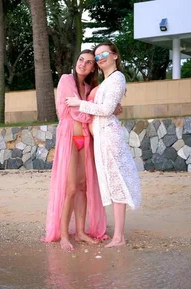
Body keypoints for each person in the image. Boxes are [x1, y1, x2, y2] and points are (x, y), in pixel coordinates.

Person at [65, 41, 142, 248]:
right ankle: (118, 235)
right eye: (97, 57)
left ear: (115, 55)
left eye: (103, 54)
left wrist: (79, 103)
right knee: (114, 184)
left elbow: (106, 109)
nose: (100, 59)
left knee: (117, 184)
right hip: (102, 137)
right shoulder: (107, 81)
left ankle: (119, 237)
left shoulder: (117, 78)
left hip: (109, 137)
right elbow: (108, 106)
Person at [42, 49, 109, 251]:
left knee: (83, 187)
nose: (83, 64)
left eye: (89, 62)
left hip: (85, 139)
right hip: (70, 136)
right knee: (70, 188)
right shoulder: (65, 80)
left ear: (92, 68)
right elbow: (74, 112)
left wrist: (107, 108)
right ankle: (64, 235)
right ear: (76, 61)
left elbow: (96, 110)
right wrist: (88, 110)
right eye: (81, 60)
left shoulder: (89, 87)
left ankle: (80, 232)